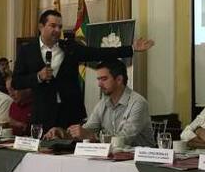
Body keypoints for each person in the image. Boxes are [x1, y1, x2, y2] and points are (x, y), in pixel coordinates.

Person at [12, 10, 154, 130]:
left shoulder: (69, 47)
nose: (57, 30)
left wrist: (131, 48)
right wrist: (38, 76)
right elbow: (16, 82)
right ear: (41, 26)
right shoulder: (27, 50)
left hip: (71, 113)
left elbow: (99, 53)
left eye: (60, 27)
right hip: (43, 114)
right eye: (53, 26)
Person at [46, 60, 155, 147]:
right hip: (113, 158)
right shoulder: (103, 103)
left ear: (119, 79)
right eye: (98, 79)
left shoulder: (138, 103)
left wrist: (92, 137)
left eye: (104, 79)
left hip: (140, 161)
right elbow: (87, 130)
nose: (99, 84)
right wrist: (62, 133)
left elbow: (124, 139)